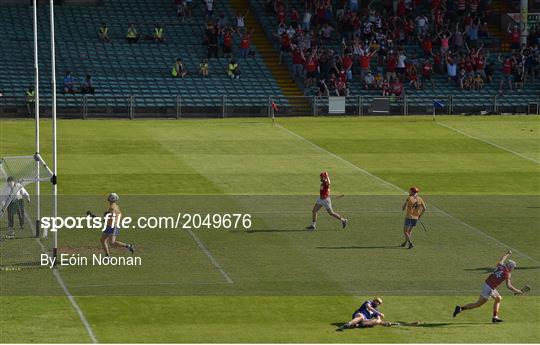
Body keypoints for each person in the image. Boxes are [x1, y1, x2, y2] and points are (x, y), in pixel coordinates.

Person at [453, 250, 525, 323]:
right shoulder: (507, 274)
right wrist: (518, 291)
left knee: (495, 299)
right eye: (513, 267)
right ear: (510, 267)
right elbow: (509, 286)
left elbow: (502, 259)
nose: (513, 269)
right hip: (489, 288)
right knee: (480, 303)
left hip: (487, 285)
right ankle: (461, 308)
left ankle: (494, 317)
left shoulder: (500, 266)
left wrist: (507, 254)